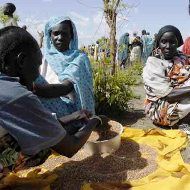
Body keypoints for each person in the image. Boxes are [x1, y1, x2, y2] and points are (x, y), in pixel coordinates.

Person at [0, 26, 104, 174]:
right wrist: (95, 120)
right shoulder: (17, 95)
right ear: (22, 60)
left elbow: (33, 123)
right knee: (43, 146)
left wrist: (71, 117)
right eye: (37, 65)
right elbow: (70, 147)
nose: (38, 74)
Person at [34, 17, 95, 119]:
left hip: (69, 109)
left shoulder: (79, 58)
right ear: (50, 36)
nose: (60, 37)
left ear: (71, 36)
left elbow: (65, 88)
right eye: (56, 33)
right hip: (42, 104)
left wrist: (31, 87)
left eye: (64, 33)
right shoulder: (43, 57)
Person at [143, 25, 190, 128]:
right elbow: (168, 94)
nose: (168, 46)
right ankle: (181, 121)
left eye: (172, 42)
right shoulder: (153, 63)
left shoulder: (181, 57)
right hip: (160, 107)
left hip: (180, 97)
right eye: (164, 42)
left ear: (178, 43)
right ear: (158, 43)